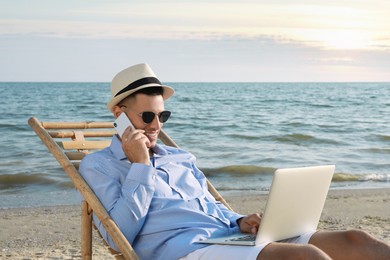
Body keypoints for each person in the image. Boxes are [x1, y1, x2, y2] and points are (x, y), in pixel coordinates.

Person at [79, 63, 390, 260]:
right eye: (147, 116)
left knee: (356, 241)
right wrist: (141, 166)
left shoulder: (179, 158)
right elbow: (117, 237)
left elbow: (209, 206)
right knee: (305, 257)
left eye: (162, 116)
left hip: (228, 237)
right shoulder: (98, 165)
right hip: (186, 250)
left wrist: (238, 220)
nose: (156, 125)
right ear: (119, 115)